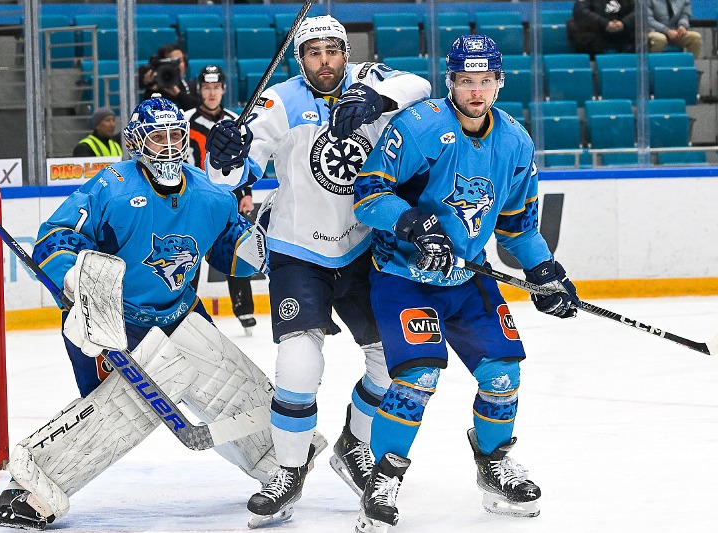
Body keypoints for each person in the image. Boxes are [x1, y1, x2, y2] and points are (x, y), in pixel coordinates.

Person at [0, 95, 288, 530]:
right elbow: (55, 236)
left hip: (180, 314)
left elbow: (230, 250)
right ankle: (31, 490)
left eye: (175, 136)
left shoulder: (210, 193)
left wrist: (263, 245)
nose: (168, 146)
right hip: (112, 321)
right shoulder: (113, 188)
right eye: (157, 137)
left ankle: (278, 462)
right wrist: (74, 281)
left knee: (232, 389)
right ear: (136, 143)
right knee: (115, 412)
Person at [204, 14, 431, 527]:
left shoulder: (370, 81)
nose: (324, 61)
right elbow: (229, 176)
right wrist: (223, 156)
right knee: (298, 364)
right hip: (297, 250)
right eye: (313, 52)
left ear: (346, 53)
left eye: (333, 50)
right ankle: (289, 470)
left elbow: (420, 86)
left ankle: (354, 445)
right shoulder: (280, 100)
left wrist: (376, 100)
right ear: (299, 59)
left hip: (364, 247)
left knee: (388, 360)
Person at [351, 34, 580, 531]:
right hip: (404, 277)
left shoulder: (515, 141)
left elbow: (518, 227)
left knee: (503, 374)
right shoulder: (419, 127)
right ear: (450, 82)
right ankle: (383, 479)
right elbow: (367, 195)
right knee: (418, 378)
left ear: (499, 83)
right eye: (466, 80)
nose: (476, 91)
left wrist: (545, 272)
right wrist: (414, 223)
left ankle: (493, 463)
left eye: (485, 81)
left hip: (467, 279)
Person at [184, 65, 258, 335]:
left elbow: (245, 162)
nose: (212, 93)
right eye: (206, 88)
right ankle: (184, 311)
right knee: (188, 257)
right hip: (192, 201)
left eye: (216, 87)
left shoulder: (236, 120)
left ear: (224, 89)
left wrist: (246, 194)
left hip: (226, 200)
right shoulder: (185, 120)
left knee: (234, 250)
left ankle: (244, 309)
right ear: (199, 90)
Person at [139, 44, 199, 112]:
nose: (178, 65)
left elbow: (199, 111)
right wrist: (151, 89)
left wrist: (178, 94)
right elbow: (147, 112)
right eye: (173, 62)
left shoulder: (193, 87)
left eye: (180, 61)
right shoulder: (154, 88)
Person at [566, 0, 636, 57]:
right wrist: (604, 23)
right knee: (574, 26)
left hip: (624, 31)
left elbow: (638, 10)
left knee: (639, 28)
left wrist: (624, 23)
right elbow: (581, 11)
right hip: (597, 32)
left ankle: (633, 61)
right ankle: (591, 62)